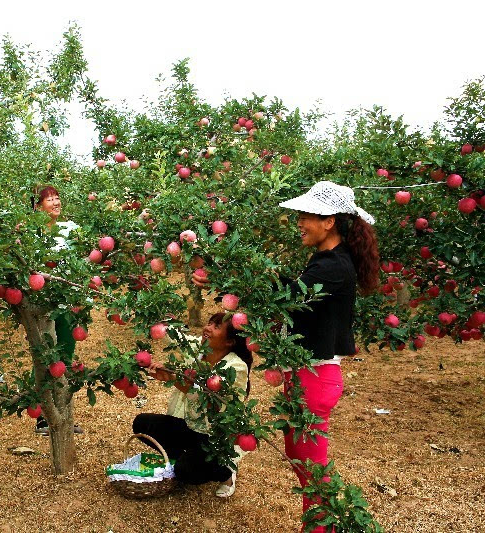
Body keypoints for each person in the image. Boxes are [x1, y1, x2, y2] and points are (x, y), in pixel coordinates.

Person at [194, 180, 379, 530]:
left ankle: (322, 526)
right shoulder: (327, 260)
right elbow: (291, 292)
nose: (299, 223)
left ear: (328, 221)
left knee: (312, 470)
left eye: (306, 216)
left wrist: (230, 278)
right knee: (299, 458)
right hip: (306, 377)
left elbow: (288, 296)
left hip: (316, 379)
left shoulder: (333, 267)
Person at [132, 312, 252, 497]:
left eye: (216, 326)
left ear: (229, 342)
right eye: (210, 323)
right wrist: (159, 318)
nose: (208, 328)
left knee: (185, 471)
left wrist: (174, 380)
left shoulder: (235, 368)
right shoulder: (199, 350)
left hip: (214, 435)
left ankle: (226, 472)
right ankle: (190, 459)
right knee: (142, 424)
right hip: (189, 424)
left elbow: (207, 398)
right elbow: (180, 339)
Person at [31, 185, 83, 435]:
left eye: (57, 198)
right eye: (49, 199)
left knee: (66, 355)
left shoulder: (71, 229)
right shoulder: (34, 233)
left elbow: (80, 264)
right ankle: (44, 416)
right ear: (39, 206)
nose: (55, 202)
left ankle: (63, 413)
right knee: (46, 355)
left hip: (68, 302)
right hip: (43, 303)